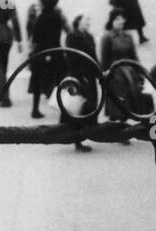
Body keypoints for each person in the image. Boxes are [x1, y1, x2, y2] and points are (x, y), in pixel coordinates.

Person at [61, 14, 98, 152]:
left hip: (89, 75)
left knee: (88, 107)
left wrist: (98, 72)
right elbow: (70, 58)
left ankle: (83, 135)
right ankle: (77, 140)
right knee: (78, 107)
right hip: (79, 77)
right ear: (78, 22)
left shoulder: (88, 36)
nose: (88, 22)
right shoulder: (72, 37)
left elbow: (94, 57)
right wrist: (79, 76)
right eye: (86, 20)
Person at [27, 0, 69, 119]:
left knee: (36, 81)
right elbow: (58, 35)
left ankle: (35, 109)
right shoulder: (57, 17)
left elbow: (35, 38)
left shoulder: (41, 17)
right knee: (60, 81)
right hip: (56, 51)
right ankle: (64, 111)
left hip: (41, 52)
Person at [100, 8, 141, 122]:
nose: (121, 21)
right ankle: (115, 130)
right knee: (117, 103)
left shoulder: (128, 36)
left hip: (129, 74)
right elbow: (104, 60)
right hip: (115, 76)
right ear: (112, 21)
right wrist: (105, 77)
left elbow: (134, 56)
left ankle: (122, 129)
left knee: (128, 102)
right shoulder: (107, 37)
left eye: (122, 18)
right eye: (117, 18)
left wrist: (139, 71)